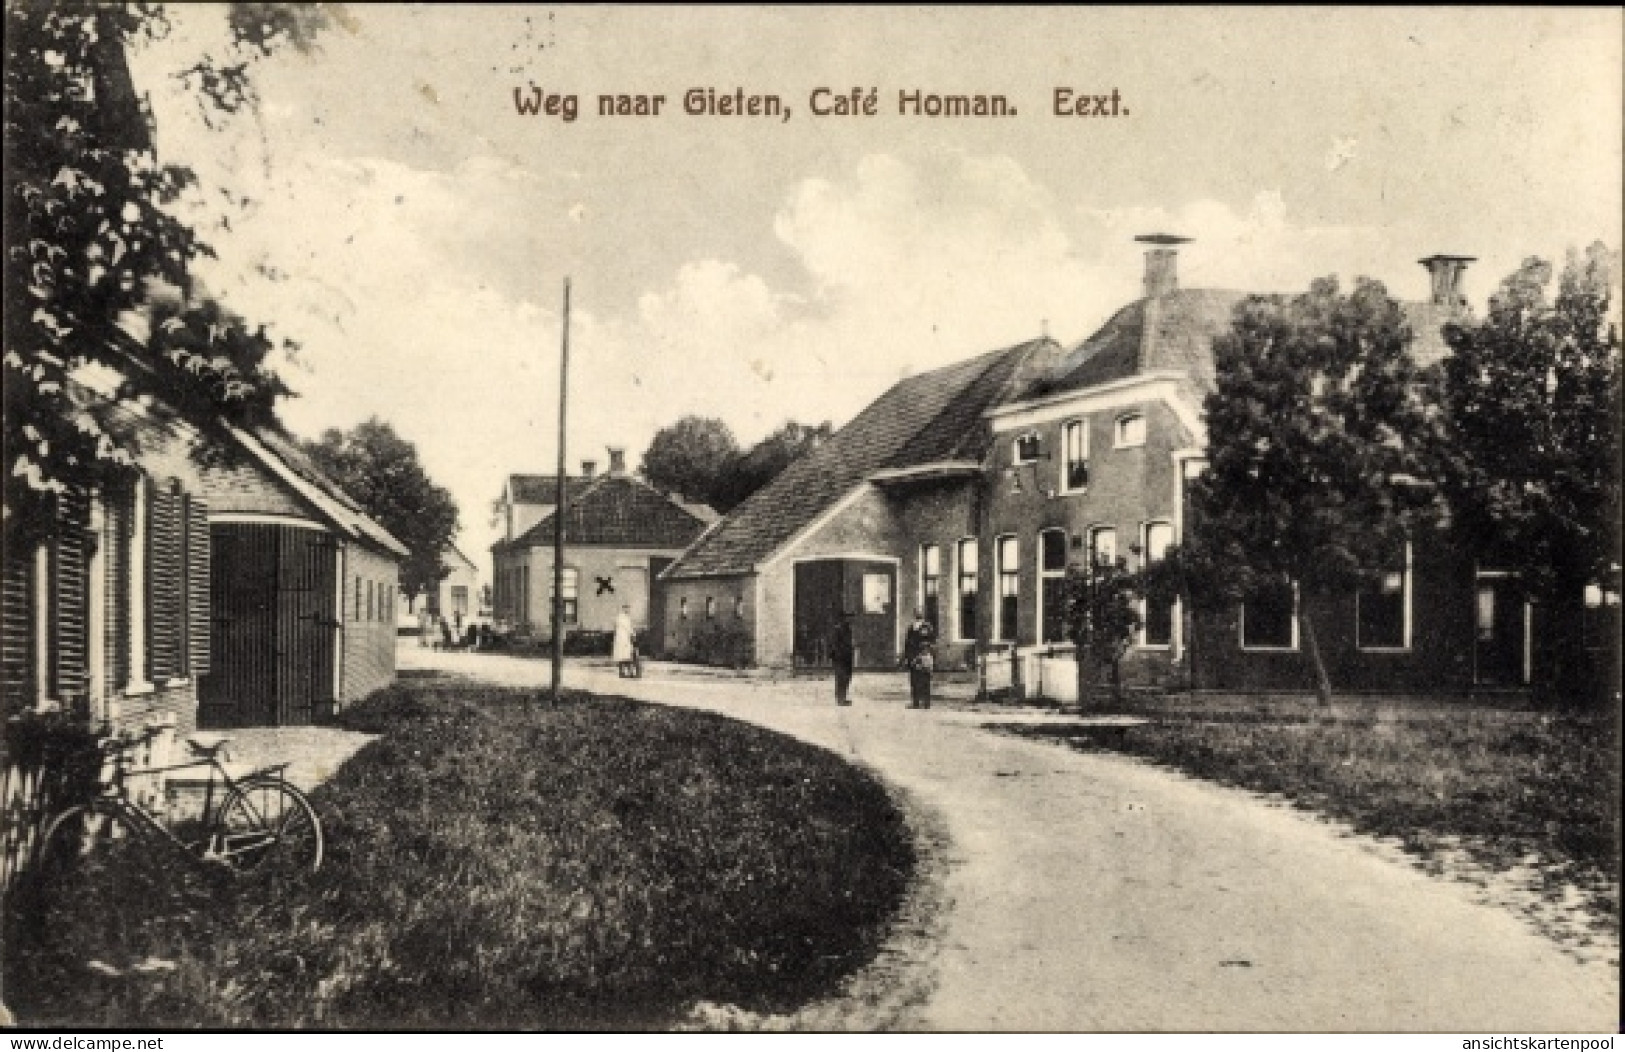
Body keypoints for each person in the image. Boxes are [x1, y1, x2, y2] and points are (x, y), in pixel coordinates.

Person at [902, 607, 937, 709]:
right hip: (913, 656)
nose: (918, 613)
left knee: (925, 679)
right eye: (917, 612)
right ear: (914, 614)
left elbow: (931, 641)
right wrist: (907, 656)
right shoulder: (911, 627)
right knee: (914, 679)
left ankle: (926, 702)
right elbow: (907, 643)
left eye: (920, 612)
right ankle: (916, 702)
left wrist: (927, 651)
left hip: (923, 655)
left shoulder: (927, 627)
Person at [830, 610, 855, 705]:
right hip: (840, 657)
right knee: (841, 677)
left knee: (847, 677)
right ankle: (840, 699)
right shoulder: (839, 628)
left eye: (851, 617)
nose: (851, 619)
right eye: (849, 617)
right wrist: (837, 655)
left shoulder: (847, 629)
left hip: (847, 656)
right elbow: (834, 644)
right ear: (844, 618)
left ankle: (843, 697)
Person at [612, 605, 637, 678]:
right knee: (626, 655)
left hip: (620, 639)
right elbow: (629, 628)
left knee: (622, 656)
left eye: (628, 609)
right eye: (627, 609)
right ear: (624, 609)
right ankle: (628, 672)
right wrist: (633, 634)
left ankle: (623, 672)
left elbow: (615, 628)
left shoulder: (619, 618)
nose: (628, 610)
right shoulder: (624, 618)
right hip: (624, 639)